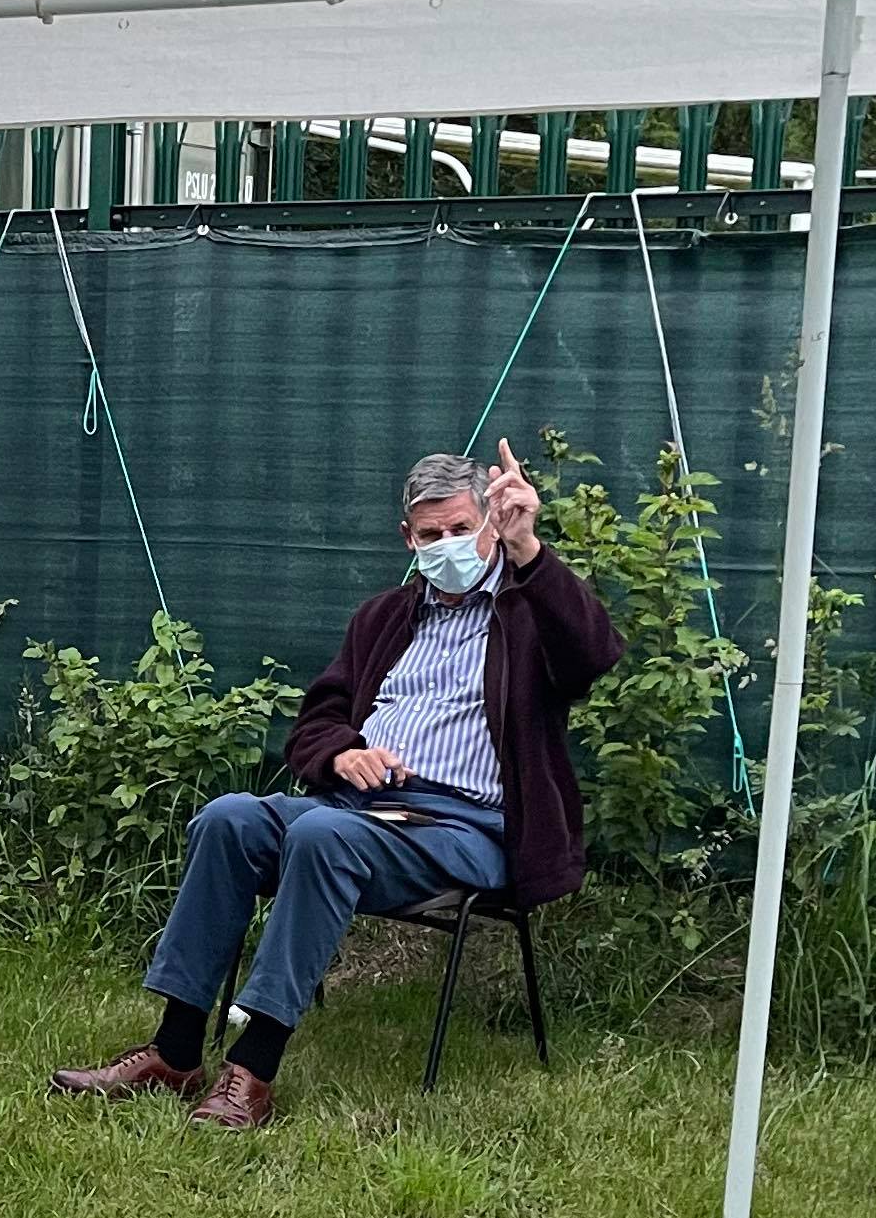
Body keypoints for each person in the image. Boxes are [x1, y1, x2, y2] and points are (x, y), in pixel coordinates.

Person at [55, 442, 621, 1130]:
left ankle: (252, 1070)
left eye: (461, 528)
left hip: (465, 828)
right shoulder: (384, 618)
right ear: (408, 538)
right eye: (431, 534)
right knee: (227, 819)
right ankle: (174, 1052)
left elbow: (593, 656)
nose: (447, 544)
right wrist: (344, 754)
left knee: (325, 834)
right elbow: (315, 723)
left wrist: (529, 547)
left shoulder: (529, 612)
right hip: (358, 807)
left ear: (491, 525)